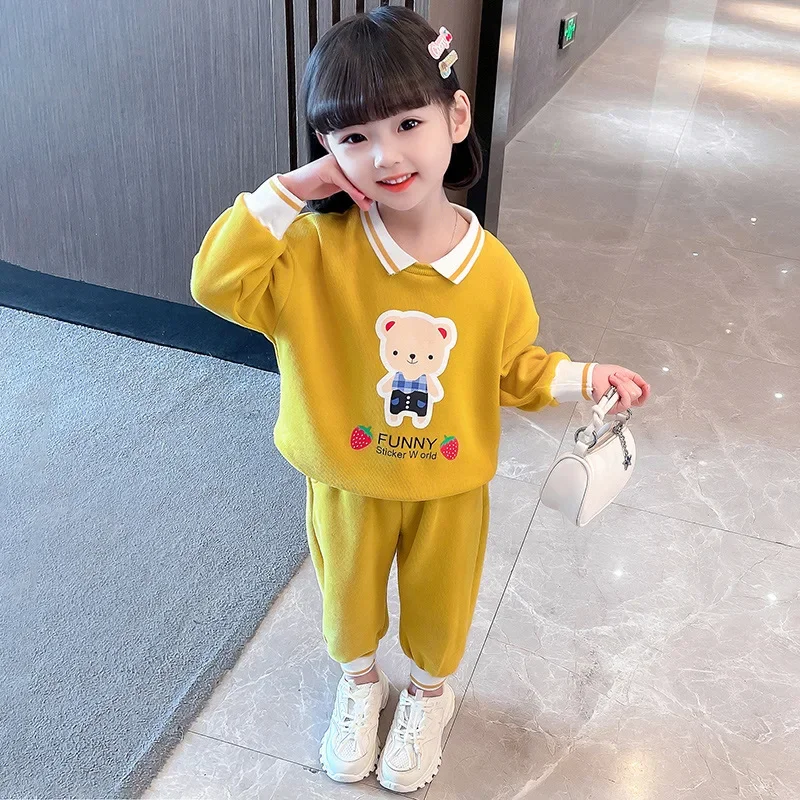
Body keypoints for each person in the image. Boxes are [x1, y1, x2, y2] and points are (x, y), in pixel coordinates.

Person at [191, 6, 650, 794]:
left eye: (408, 123)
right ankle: (360, 685)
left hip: (449, 483)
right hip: (347, 478)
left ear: (456, 116)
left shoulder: (493, 270)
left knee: (442, 607)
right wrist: (294, 190)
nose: (387, 155)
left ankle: (429, 698)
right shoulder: (307, 255)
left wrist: (584, 377)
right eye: (353, 137)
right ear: (327, 149)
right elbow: (216, 282)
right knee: (346, 603)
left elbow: (511, 368)